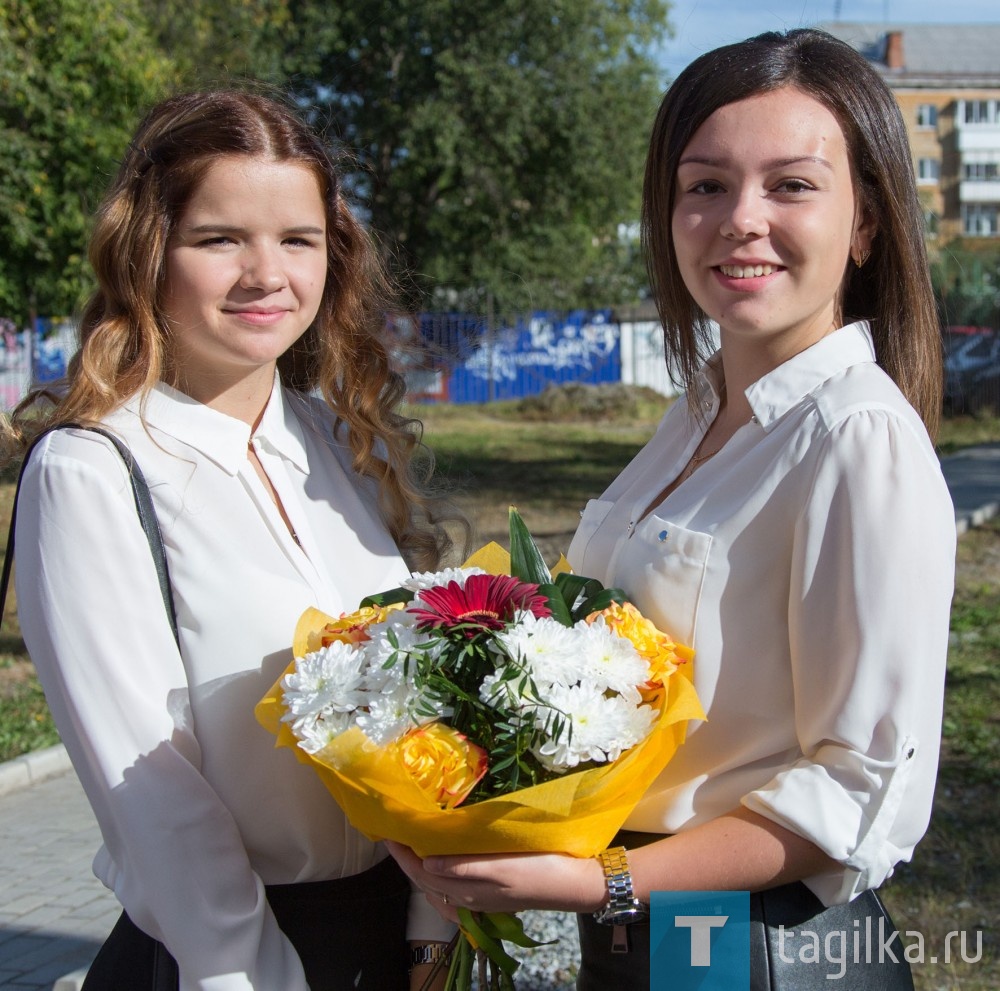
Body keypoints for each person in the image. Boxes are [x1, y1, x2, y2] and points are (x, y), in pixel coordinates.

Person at [387, 28, 957, 990]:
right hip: (647, 931)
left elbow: (861, 788)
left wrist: (601, 881)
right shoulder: (694, 410)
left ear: (864, 225)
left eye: (792, 185)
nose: (741, 218)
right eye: (705, 186)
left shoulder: (855, 436)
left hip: (755, 946)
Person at [2, 90, 460, 990]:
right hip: (230, 958)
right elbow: (158, 802)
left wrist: (430, 929)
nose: (266, 274)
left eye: (298, 239)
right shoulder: (94, 468)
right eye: (219, 240)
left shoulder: (333, 439)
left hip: (394, 942)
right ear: (148, 253)